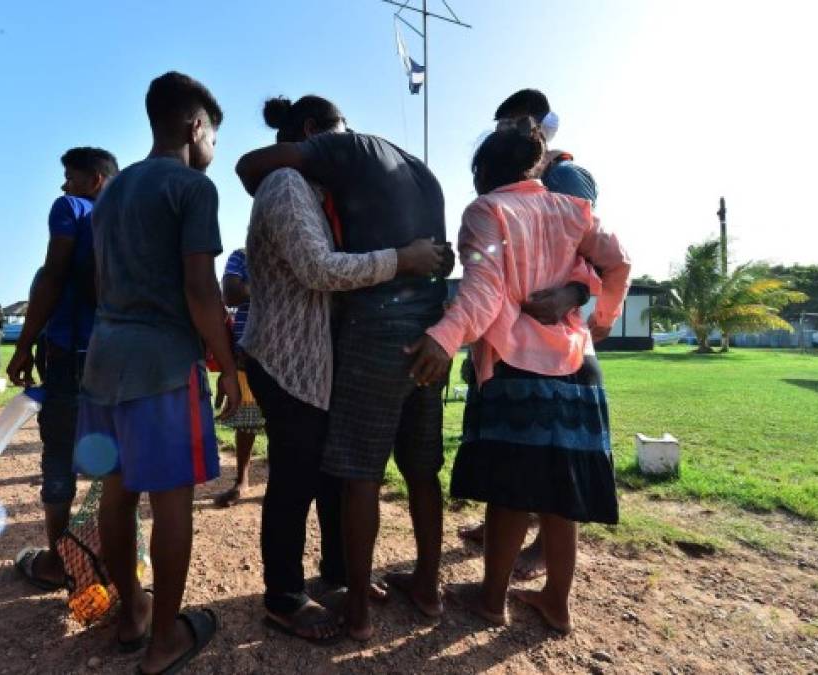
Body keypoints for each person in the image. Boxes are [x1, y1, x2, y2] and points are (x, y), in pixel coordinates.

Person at [406, 119, 630, 634]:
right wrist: (601, 317)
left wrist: (443, 337)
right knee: (561, 492)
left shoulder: (487, 210)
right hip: (575, 366)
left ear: (484, 171)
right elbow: (619, 262)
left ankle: (491, 600)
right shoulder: (575, 210)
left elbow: (482, 292)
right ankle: (556, 602)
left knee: (509, 492)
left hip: (516, 365)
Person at [240, 95, 450, 641]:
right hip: (288, 360)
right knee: (295, 478)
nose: (347, 145)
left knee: (335, 470)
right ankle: (284, 596)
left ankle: (339, 574)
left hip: (319, 358)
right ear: (312, 134)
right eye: (339, 135)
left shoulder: (312, 189)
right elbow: (317, 269)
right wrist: (401, 259)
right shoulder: (286, 184)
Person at [76, 72, 238, 674]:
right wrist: (226, 363)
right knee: (172, 506)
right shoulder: (193, 188)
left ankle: (133, 613)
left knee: (116, 498)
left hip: (104, 361)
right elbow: (200, 288)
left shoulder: (111, 192)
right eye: (214, 137)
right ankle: (166, 640)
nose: (213, 151)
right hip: (164, 367)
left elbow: (100, 284)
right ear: (196, 127)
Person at [459, 89, 605, 582]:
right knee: (516, 463)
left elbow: (586, 250)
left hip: (546, 345)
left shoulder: (562, 177)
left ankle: (535, 548)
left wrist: (572, 293)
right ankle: (504, 536)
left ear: (540, 126)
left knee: (534, 468)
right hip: (518, 340)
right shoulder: (519, 184)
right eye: (502, 127)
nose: (509, 135)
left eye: (516, 125)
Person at [6, 147, 119, 590]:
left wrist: (24, 345)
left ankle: (58, 562)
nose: (64, 186)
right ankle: (110, 558)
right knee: (115, 462)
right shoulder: (134, 216)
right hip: (120, 357)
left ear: (93, 180)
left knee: (58, 458)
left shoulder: (72, 208)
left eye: (70, 177)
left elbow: (53, 276)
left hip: (71, 355)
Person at [213, 247, 264, 508]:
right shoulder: (242, 255)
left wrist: (248, 284)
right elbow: (230, 294)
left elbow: (239, 289)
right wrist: (273, 284)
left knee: (284, 427)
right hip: (247, 355)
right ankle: (241, 480)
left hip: (284, 356)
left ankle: (278, 483)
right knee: (246, 422)